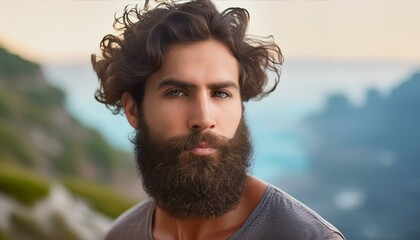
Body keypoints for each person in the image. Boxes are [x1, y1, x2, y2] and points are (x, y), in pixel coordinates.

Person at [92, 0, 345, 239]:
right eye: (176, 92)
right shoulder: (122, 234)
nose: (204, 118)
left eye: (221, 93)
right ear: (133, 109)